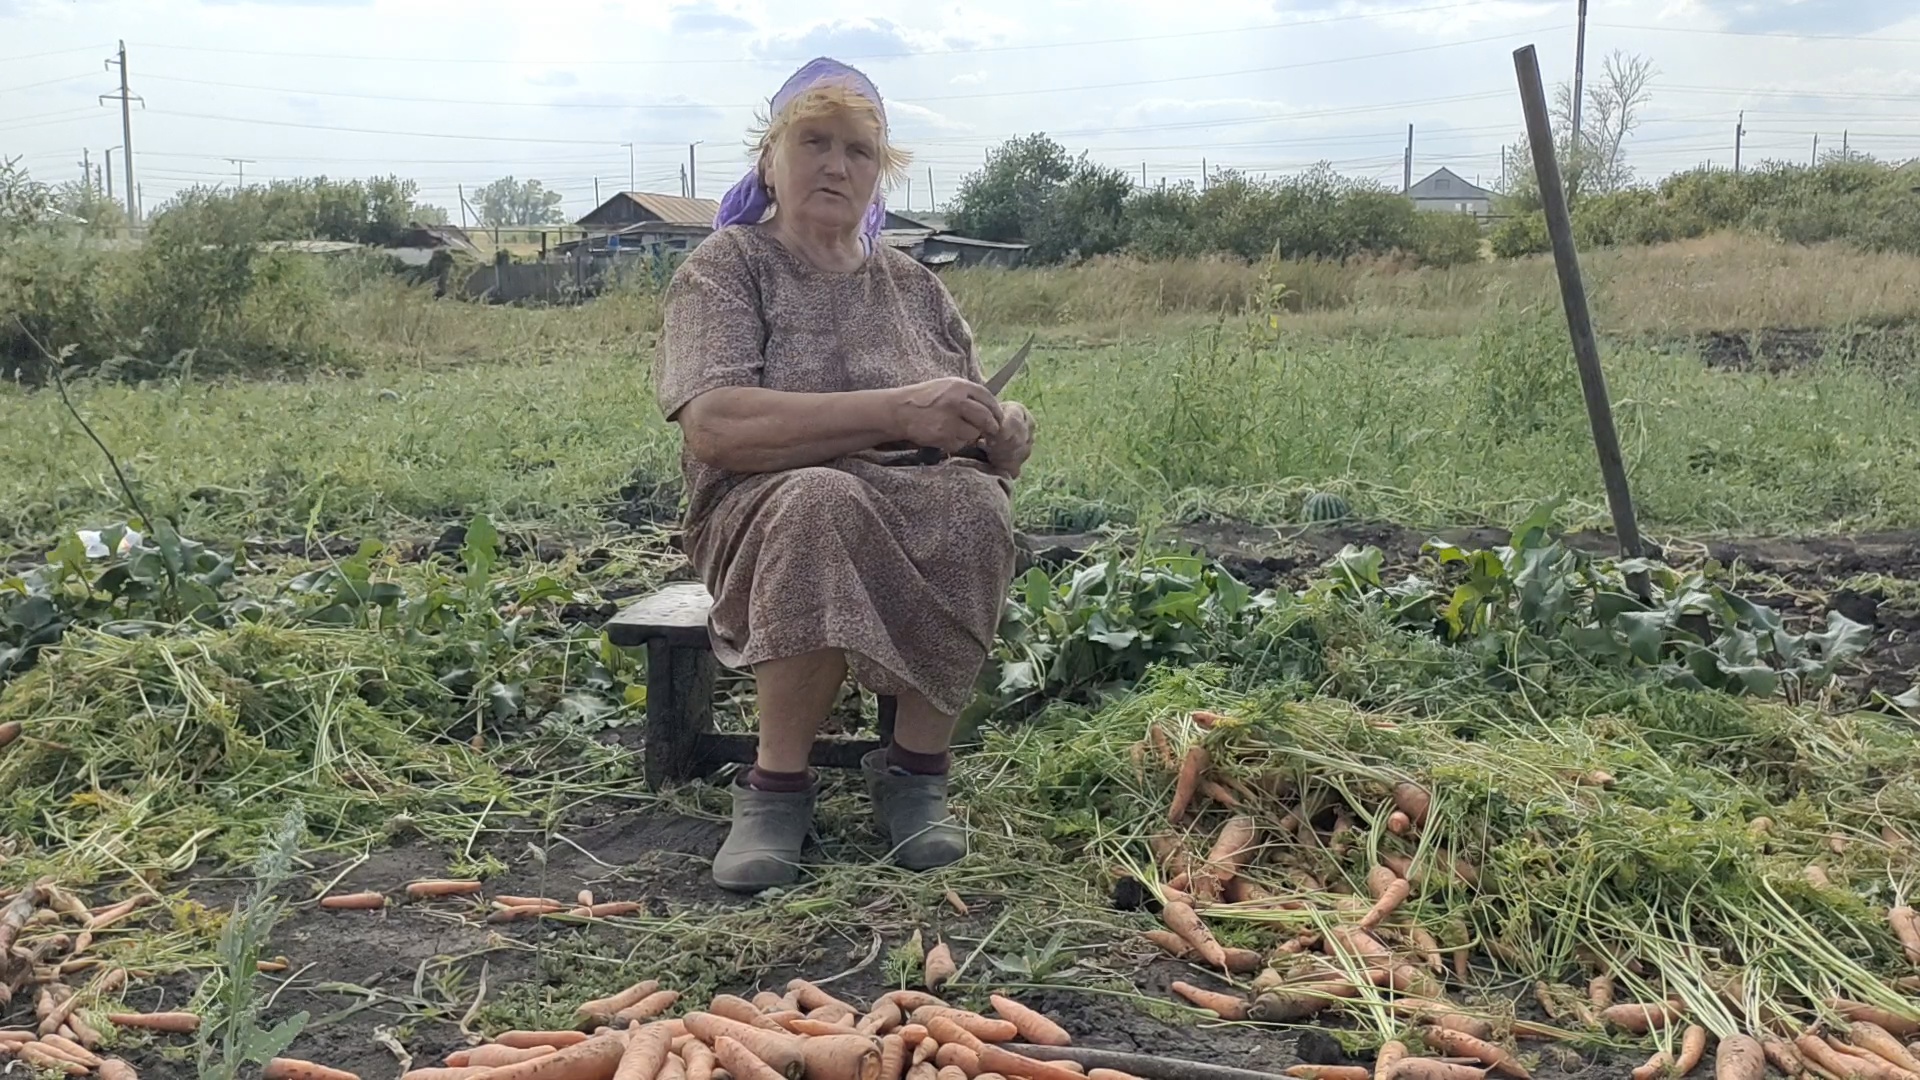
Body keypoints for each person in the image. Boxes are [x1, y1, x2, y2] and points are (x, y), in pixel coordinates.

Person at [653, 57, 1036, 893]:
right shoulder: (728, 266)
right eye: (813, 142)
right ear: (769, 163)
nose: (835, 165)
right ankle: (777, 791)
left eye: (858, 150)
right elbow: (716, 425)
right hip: (759, 505)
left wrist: (999, 433)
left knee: (975, 505)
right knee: (823, 498)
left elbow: (960, 412)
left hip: (910, 498)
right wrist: (896, 412)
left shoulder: (914, 286)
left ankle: (914, 776)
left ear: (879, 175)